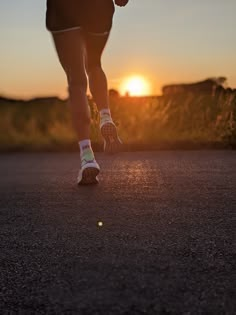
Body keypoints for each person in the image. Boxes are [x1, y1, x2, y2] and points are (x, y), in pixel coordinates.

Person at [46, 0, 129, 185]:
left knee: (76, 81)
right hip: (98, 7)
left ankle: (87, 156)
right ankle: (105, 116)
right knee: (94, 64)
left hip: (63, 8)